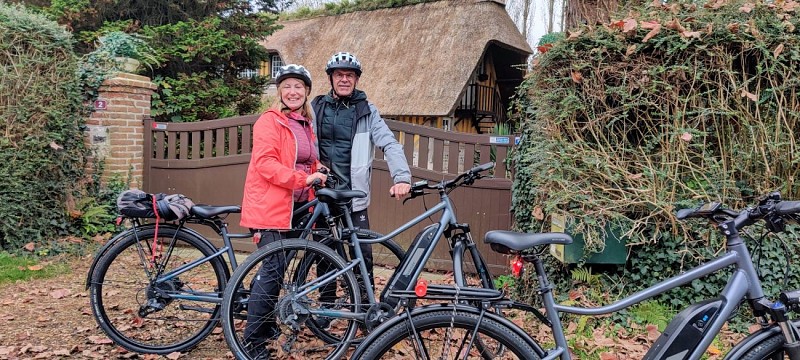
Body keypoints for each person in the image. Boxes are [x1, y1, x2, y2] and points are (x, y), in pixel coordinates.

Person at [239, 64, 327, 358]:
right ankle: (253, 342)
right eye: (287, 86)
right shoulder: (270, 121)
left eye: (299, 87)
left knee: (276, 269)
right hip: (270, 206)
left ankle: (262, 320)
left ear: (307, 93)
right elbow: (265, 164)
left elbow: (305, 161)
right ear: (279, 92)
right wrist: (304, 179)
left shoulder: (305, 123)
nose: (293, 92)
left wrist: (319, 171)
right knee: (274, 268)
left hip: (297, 206)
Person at [310, 51, 412, 306]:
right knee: (324, 252)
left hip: (354, 196)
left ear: (356, 79)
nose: (344, 79)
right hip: (323, 194)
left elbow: (389, 143)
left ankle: (365, 305)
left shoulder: (366, 110)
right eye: (339, 75)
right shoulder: (316, 107)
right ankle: (327, 305)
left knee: (362, 252)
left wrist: (401, 176)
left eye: (349, 75)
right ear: (331, 78)